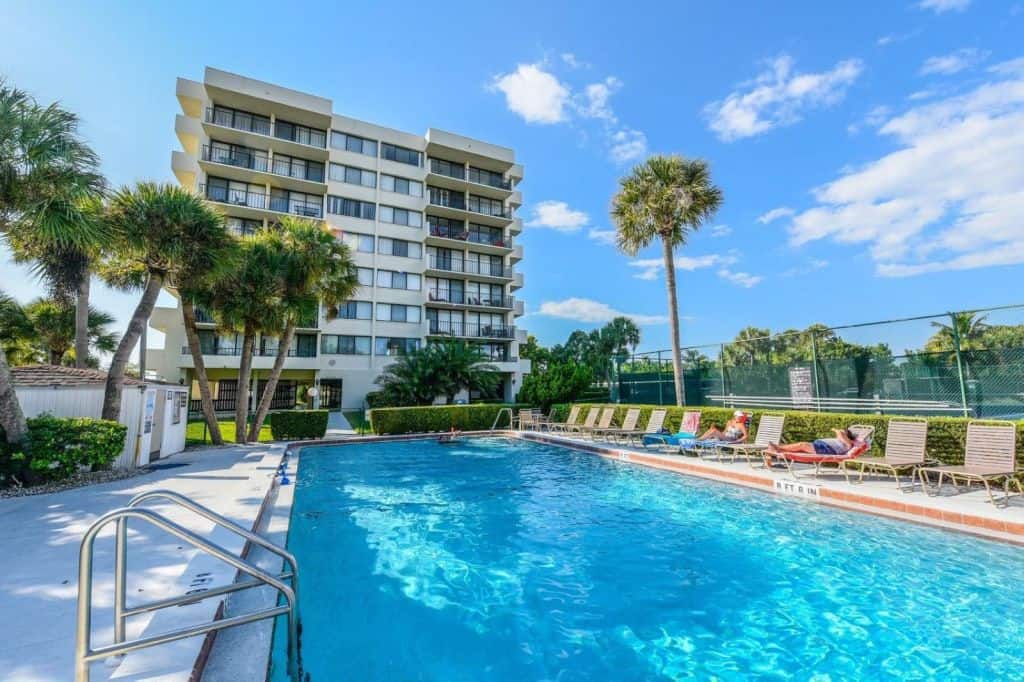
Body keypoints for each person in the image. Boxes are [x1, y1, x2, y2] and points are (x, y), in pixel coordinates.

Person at [765, 428, 863, 457]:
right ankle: (779, 449)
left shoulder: (848, 443)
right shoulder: (842, 440)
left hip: (826, 449)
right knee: (800, 448)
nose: (839, 434)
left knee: (801, 445)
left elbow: (840, 433)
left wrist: (837, 430)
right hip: (821, 446)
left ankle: (778, 448)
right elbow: (840, 434)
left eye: (843, 432)